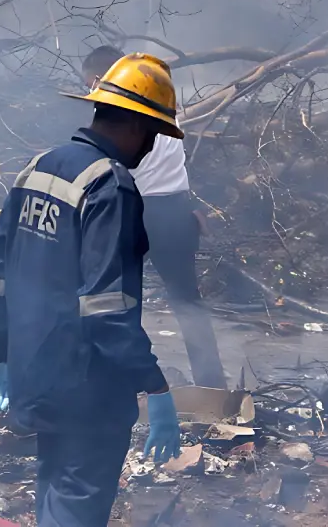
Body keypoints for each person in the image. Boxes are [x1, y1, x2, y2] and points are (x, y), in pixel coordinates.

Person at [0, 52, 183, 527]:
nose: (150, 147)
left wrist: (1, 352)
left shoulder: (38, 169)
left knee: (56, 490)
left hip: (36, 373)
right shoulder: (110, 185)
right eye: (152, 134)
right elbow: (107, 308)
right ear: (133, 125)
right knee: (76, 504)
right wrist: (154, 384)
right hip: (87, 388)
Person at [82, 46, 226, 389]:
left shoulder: (118, 113)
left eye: (90, 84)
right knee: (187, 302)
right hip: (175, 211)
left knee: (115, 299)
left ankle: (119, 380)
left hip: (136, 210)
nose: (90, 93)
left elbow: (115, 167)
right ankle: (212, 385)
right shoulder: (162, 103)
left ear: (102, 79)